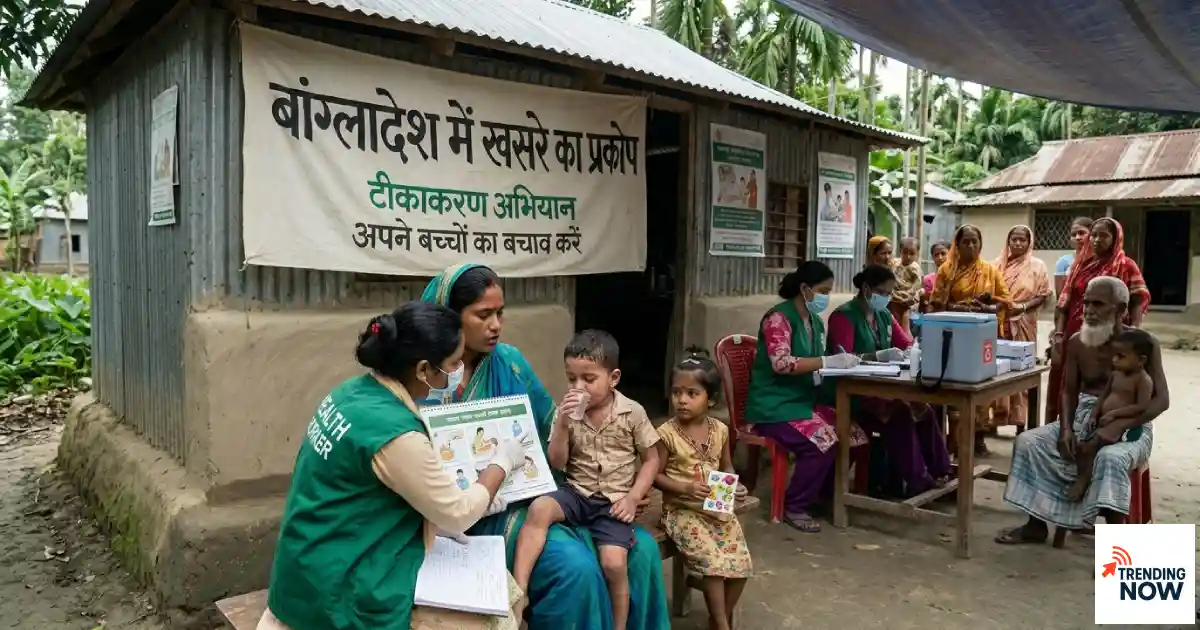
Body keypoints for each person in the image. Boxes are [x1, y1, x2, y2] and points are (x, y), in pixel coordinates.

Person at [421, 264, 670, 630]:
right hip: (470, 518)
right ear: (449, 318)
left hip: (540, 494)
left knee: (642, 552)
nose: (496, 325)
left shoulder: (509, 362)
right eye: (483, 314)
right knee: (573, 569)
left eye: (500, 313)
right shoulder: (424, 379)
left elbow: (552, 424)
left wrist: (619, 487)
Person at [257, 301, 529, 630]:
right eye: (454, 364)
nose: (458, 375)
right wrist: (499, 465)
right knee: (500, 611)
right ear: (423, 370)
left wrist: (442, 518)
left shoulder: (351, 393)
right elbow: (457, 511)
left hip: (307, 565)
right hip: (340, 587)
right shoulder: (395, 434)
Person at [998, 277, 1165, 544]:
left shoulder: (1145, 344)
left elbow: (1161, 400)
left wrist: (1121, 424)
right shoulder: (1077, 342)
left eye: (1098, 304)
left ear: (1121, 309)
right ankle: (1036, 525)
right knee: (1029, 442)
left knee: (1110, 458)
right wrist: (1065, 428)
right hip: (1083, 417)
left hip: (1132, 425)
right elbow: (1068, 391)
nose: (1088, 310)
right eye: (1086, 302)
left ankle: (1118, 550)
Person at [513, 330, 662, 630]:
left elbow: (652, 460)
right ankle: (518, 594)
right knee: (540, 508)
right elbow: (558, 462)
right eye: (571, 379)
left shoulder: (632, 413)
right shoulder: (566, 413)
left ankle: (619, 625)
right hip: (577, 493)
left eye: (588, 379)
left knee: (614, 563)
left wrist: (633, 497)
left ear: (614, 378)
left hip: (613, 502)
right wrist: (564, 425)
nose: (578, 387)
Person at [744, 261, 866, 532]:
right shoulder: (779, 319)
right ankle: (794, 506)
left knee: (854, 434)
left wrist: (835, 365)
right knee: (823, 442)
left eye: (829, 291)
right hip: (774, 407)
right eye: (823, 290)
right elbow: (781, 363)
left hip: (803, 402)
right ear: (804, 289)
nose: (826, 297)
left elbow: (813, 367)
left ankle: (819, 494)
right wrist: (826, 361)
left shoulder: (815, 323)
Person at [827, 265, 952, 496]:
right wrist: (876, 356)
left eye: (888, 294)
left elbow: (905, 343)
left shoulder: (884, 315)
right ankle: (918, 479)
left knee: (924, 408)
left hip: (880, 388)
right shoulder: (844, 316)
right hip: (850, 395)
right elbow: (841, 358)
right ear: (866, 289)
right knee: (900, 413)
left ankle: (941, 471)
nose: (885, 298)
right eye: (882, 292)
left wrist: (910, 351)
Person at [655, 351, 752, 630]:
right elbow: (654, 477)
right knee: (713, 565)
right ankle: (722, 625)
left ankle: (714, 619)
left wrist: (737, 485)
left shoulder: (720, 430)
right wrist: (685, 487)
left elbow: (727, 468)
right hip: (681, 511)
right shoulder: (666, 434)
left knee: (741, 566)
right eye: (676, 392)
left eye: (691, 393)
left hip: (717, 508)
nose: (681, 400)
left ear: (710, 399)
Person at [1047, 218, 1150, 425]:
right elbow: (1063, 303)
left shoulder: (1126, 265)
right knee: (1065, 382)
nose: (1096, 240)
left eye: (1103, 235)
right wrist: (1058, 334)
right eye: (1094, 235)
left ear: (1115, 238)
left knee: (1102, 383)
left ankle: (1098, 427)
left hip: (1110, 334)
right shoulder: (1080, 265)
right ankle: (1060, 428)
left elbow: (1138, 298)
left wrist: (1134, 332)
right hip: (1075, 331)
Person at [929, 224, 1012, 455]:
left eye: (975, 241)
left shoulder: (989, 270)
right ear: (958, 244)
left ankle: (978, 436)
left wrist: (986, 308)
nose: (971, 246)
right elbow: (936, 302)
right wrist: (958, 307)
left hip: (982, 335)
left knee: (982, 385)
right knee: (956, 385)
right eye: (966, 242)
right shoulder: (947, 270)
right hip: (954, 335)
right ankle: (953, 442)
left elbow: (1005, 300)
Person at [1066, 327, 1154, 502]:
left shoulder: (1143, 380)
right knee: (1081, 446)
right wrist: (1093, 415)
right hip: (1104, 419)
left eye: (1121, 357)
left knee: (1091, 446)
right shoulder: (1115, 375)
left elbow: (1141, 407)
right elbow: (1102, 398)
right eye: (1114, 355)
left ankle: (1084, 481)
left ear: (1141, 360)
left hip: (1123, 422)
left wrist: (1114, 414)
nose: (1115, 360)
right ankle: (1083, 476)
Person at [992, 225, 1052, 427]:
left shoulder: (1037, 266)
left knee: (1021, 370)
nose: (1018, 243)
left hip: (1024, 323)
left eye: (1022, 240)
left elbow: (1044, 294)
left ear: (1029, 242)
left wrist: (1023, 307)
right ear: (1008, 242)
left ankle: (1020, 422)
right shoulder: (996, 266)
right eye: (1014, 239)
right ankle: (997, 417)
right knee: (997, 369)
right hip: (999, 324)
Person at [889, 236, 923, 333]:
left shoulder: (915, 268)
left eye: (912, 254)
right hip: (894, 295)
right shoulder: (895, 263)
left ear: (917, 254)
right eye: (905, 252)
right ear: (900, 251)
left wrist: (909, 293)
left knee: (906, 319)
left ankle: (906, 337)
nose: (908, 256)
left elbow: (917, 284)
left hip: (908, 297)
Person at [1054, 216, 1093, 296]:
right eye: (1073, 235)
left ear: (1092, 235)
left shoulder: (1100, 261)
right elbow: (1060, 295)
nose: (1077, 237)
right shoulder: (1063, 262)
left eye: (1082, 233)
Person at [920, 240, 951, 313]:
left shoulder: (958, 277)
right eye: (936, 255)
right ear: (933, 258)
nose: (940, 257)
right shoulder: (928, 280)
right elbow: (925, 306)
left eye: (943, 254)